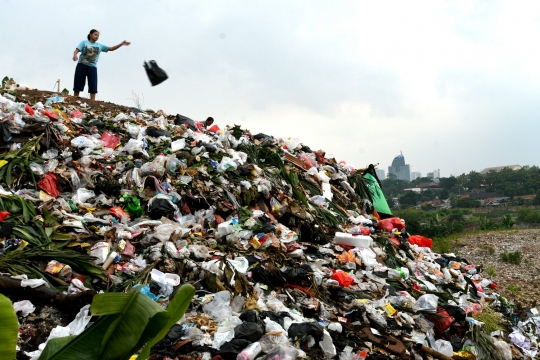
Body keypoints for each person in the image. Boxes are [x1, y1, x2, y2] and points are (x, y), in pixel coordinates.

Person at [72, 29, 130, 101]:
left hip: (92, 67)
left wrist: (121, 44)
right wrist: (75, 55)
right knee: (78, 81)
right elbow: (77, 50)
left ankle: (92, 101)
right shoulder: (84, 42)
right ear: (90, 34)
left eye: (98, 35)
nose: (97, 36)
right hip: (81, 65)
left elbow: (111, 48)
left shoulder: (99, 46)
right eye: (95, 34)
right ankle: (75, 99)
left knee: (93, 84)